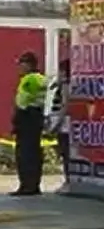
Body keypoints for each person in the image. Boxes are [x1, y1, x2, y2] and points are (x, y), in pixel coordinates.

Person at [12, 51, 47, 196]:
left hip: (27, 118)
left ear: (28, 64)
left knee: (24, 154)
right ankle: (34, 184)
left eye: (22, 64)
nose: (20, 67)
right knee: (34, 152)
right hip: (37, 117)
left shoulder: (29, 80)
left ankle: (27, 185)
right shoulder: (41, 78)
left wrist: (15, 120)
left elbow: (22, 102)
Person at [47, 59, 71, 187]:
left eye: (60, 71)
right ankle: (67, 179)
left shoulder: (66, 85)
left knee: (65, 153)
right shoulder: (61, 85)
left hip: (64, 125)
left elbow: (65, 106)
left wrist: (56, 125)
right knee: (63, 152)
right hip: (60, 124)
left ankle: (68, 180)